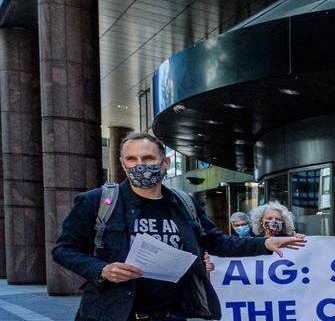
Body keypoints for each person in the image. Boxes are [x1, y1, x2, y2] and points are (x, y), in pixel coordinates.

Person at [52, 131, 306, 321]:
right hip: (110, 314)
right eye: (132, 159)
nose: (140, 165)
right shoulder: (96, 202)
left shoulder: (184, 204)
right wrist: (102, 269)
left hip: (170, 314)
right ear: (123, 164)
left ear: (165, 163)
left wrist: (264, 243)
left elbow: (217, 241)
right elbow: (63, 250)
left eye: (148, 158)